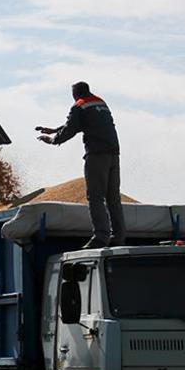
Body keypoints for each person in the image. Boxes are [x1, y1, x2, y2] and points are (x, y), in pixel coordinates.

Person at [36, 82, 124, 248]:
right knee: (113, 198)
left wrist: (53, 140)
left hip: (97, 155)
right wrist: (54, 129)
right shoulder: (100, 103)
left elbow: (71, 129)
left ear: (75, 94)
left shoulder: (79, 106)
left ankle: (100, 237)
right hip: (113, 154)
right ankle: (118, 236)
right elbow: (82, 123)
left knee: (95, 196)